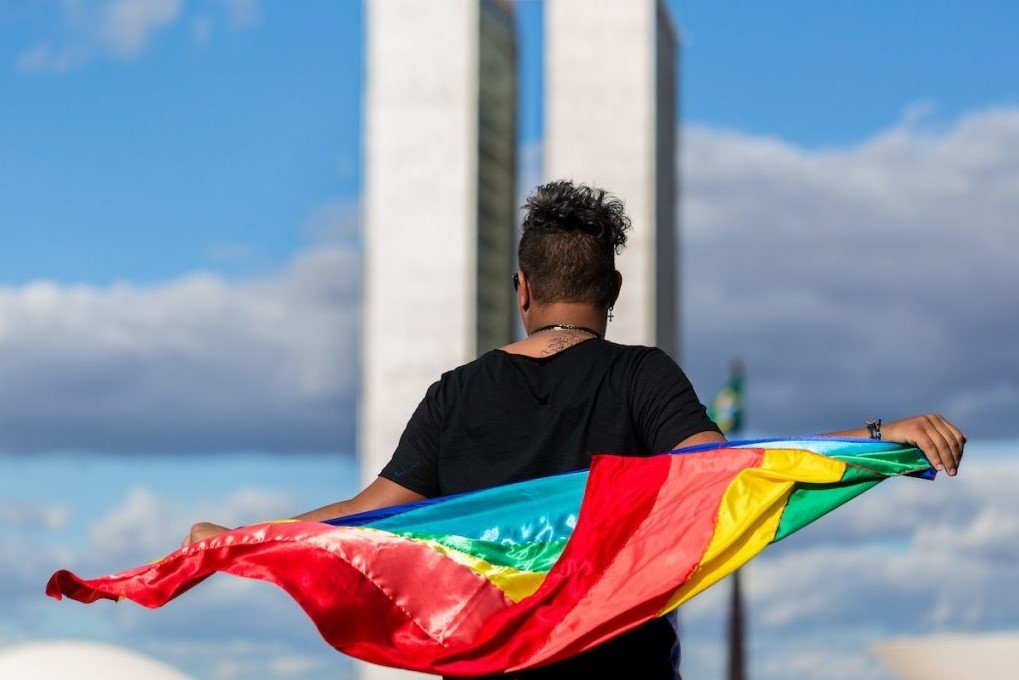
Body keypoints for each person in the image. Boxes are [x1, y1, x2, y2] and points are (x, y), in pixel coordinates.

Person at [183, 180, 966, 679]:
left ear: (522, 287)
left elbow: (369, 510)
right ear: (612, 287)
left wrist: (240, 538)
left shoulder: (456, 394)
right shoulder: (640, 375)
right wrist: (873, 436)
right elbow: (724, 468)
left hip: (494, 669)